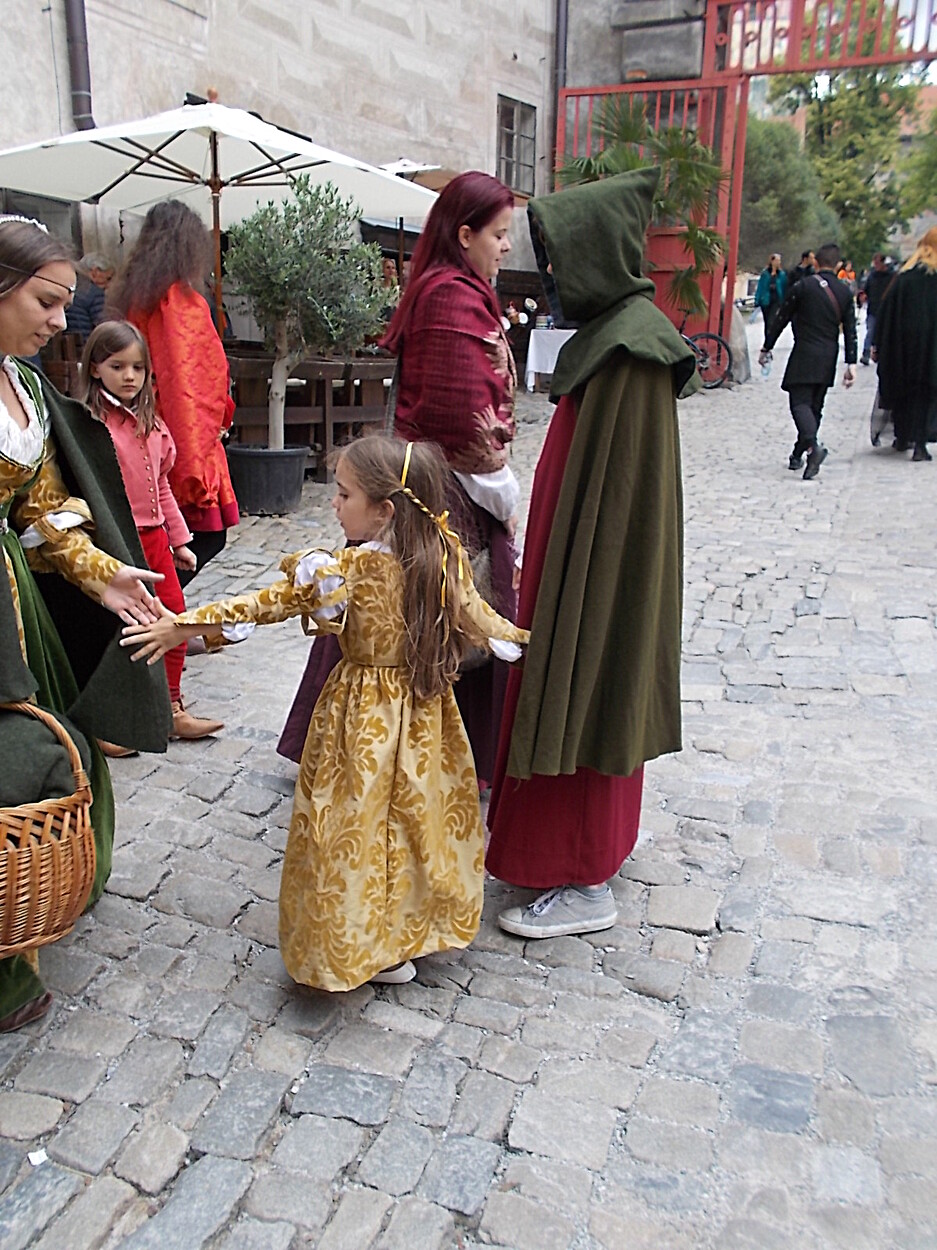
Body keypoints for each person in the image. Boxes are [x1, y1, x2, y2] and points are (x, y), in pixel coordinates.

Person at [122, 434, 529, 989]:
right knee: (407, 821)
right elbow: (484, 620)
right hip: (418, 717)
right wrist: (185, 625)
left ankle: (374, 941)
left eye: (343, 495)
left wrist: (183, 623)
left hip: (362, 718)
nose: (333, 505)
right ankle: (391, 937)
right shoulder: (415, 560)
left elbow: (474, 614)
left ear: (384, 510)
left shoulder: (386, 566)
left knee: (358, 825)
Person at [484, 168, 698, 940]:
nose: (549, 275)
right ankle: (567, 858)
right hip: (576, 561)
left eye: (558, 257)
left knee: (586, 690)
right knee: (567, 688)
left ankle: (582, 878)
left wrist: (581, 598)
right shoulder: (613, 339)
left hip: (597, 578)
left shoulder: (632, 353)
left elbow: (617, 514)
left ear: (596, 255)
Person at [279, 172, 520, 782]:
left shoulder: (448, 287)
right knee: (426, 618)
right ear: (465, 235)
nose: (506, 247)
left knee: (393, 611)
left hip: (425, 482)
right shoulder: (452, 297)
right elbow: (461, 410)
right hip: (445, 489)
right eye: (499, 234)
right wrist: (498, 485)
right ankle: (404, 758)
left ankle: (386, 751)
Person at [0, 216, 170, 1032]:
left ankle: (40, 895)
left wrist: (103, 576)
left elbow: (38, 509)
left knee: (48, 740)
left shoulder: (28, 388)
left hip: (18, 602)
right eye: (45, 299)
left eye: (66, 302)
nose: (60, 320)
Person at [79, 321, 224, 741]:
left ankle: (172, 706)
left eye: (138, 368)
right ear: (94, 368)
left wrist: (179, 540)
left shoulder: (152, 424)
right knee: (122, 631)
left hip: (155, 538)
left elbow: (160, 485)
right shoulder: (90, 423)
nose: (129, 376)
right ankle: (112, 721)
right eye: (117, 365)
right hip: (114, 541)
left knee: (175, 618)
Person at [109, 202, 239, 585]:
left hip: (142, 432)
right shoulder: (175, 302)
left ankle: (154, 610)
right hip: (172, 439)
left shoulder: (139, 296)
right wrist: (192, 468)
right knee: (204, 537)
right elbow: (187, 386)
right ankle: (155, 611)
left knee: (158, 538)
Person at [760, 241, 857, 480]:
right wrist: (851, 364)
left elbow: (781, 318)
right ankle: (797, 454)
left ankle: (813, 447)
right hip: (829, 353)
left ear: (815, 262)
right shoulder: (845, 292)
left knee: (799, 404)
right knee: (815, 407)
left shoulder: (803, 287)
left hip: (804, 350)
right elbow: (852, 330)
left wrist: (767, 346)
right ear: (838, 265)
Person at [874, 226, 937, 461]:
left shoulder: (904, 279)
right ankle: (920, 443)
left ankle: (902, 436)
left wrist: (879, 345)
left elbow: (886, 314)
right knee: (927, 395)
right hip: (932, 350)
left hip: (902, 350)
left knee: (904, 392)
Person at [64, 252, 115, 343]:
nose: (108, 285)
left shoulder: (68, 285)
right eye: (108, 278)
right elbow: (104, 327)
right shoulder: (94, 293)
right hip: (88, 347)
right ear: (95, 272)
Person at [860, 252, 895, 366]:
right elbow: (866, 290)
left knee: (884, 333)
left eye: (877, 262)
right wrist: (863, 296)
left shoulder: (892, 277)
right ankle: (866, 354)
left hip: (887, 311)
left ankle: (882, 353)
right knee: (871, 332)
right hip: (873, 309)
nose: (875, 265)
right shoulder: (872, 276)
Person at [754, 253, 787, 333]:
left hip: (776, 299)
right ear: (772, 261)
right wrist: (757, 299)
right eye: (776, 260)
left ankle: (769, 338)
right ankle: (767, 338)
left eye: (779, 261)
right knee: (767, 320)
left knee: (771, 321)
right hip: (766, 299)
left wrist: (784, 299)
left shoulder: (782, 274)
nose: (778, 262)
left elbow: (784, 287)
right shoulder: (765, 274)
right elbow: (761, 286)